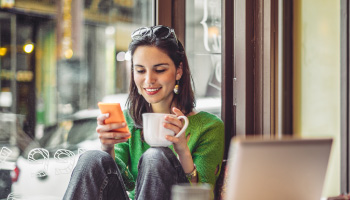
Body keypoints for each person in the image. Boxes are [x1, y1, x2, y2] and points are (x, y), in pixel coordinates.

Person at [63, 25, 224, 200]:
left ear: (178, 70)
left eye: (160, 70)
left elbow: (202, 195)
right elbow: (125, 183)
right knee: (92, 158)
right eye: (140, 70)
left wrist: (183, 151)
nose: (149, 80)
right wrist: (107, 148)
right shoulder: (128, 120)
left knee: (156, 156)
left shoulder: (209, 127)